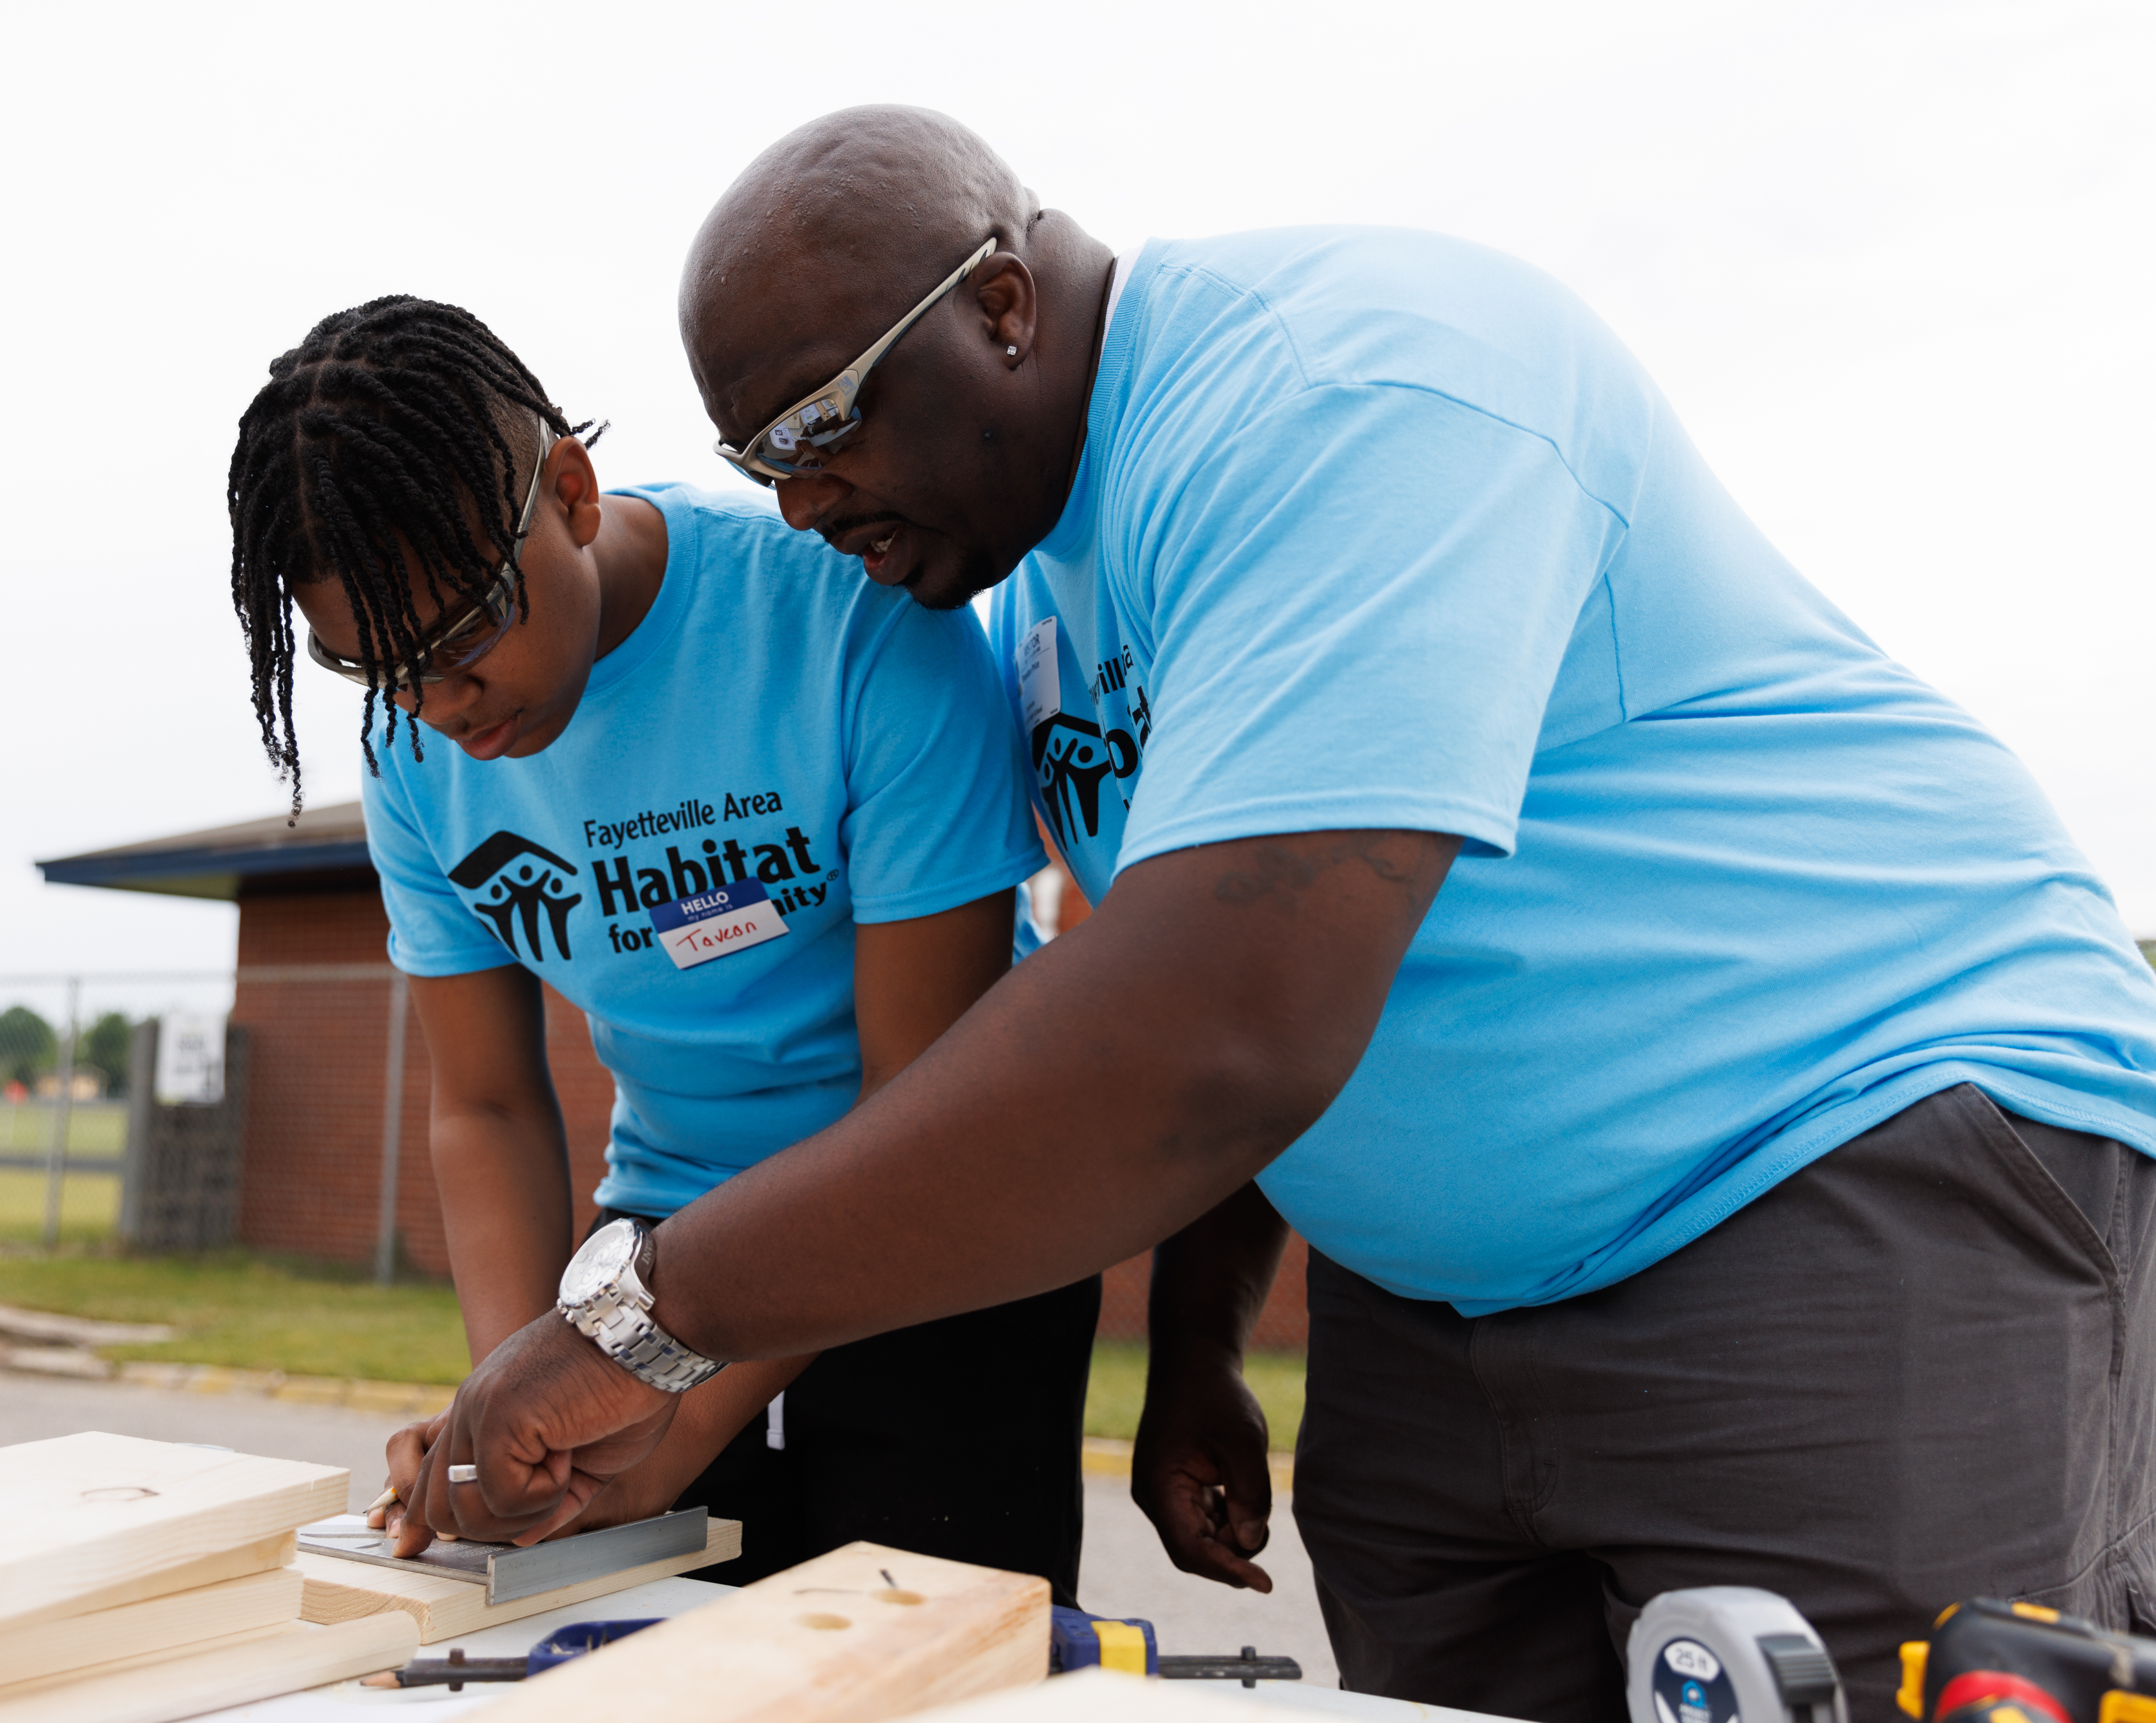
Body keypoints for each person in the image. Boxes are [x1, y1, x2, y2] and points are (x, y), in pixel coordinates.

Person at [399, 110, 2156, 1722]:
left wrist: (646, 1315)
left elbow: (1212, 1032)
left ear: (1001, 303)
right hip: (1440, 1310)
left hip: (1821, 1173)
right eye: (752, 454)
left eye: (819, 422)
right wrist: (1199, 1337)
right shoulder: (1047, 587)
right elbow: (1180, 985)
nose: (796, 499)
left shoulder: (1348, 389)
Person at [222, 294, 1094, 1598]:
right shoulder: (417, 757)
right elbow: (487, 1100)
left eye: (461, 639)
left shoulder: (851, 624)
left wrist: (663, 1408)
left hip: (946, 1229)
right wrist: (507, 1410)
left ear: (567, 491)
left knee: (917, 1652)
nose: (438, 710)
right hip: (664, 1241)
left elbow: (913, 1102)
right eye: (377, 672)